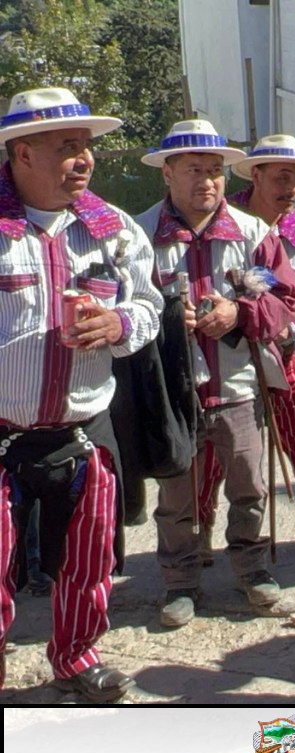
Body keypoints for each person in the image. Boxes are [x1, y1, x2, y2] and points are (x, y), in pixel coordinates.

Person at [0, 87, 163, 701]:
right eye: (67, 146)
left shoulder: (113, 229)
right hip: (1, 434)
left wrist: (119, 324)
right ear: (22, 154)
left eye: (86, 145)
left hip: (82, 433)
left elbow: (150, 307)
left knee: (87, 561)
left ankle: (77, 658)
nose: (85, 159)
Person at [137, 120, 295, 628]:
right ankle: (180, 582)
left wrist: (238, 313)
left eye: (215, 170)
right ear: (167, 173)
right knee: (176, 498)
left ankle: (252, 569)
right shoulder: (138, 235)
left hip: (238, 388)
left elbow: (284, 300)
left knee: (249, 486)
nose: (207, 180)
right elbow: (120, 304)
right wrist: (168, 318)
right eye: (194, 170)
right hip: (173, 394)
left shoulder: (254, 234)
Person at [197, 134, 295, 554]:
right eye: (282, 178)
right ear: (256, 176)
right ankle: (199, 529)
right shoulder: (220, 223)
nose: (293, 189)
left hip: (281, 349)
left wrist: (288, 332)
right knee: (211, 448)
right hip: (222, 354)